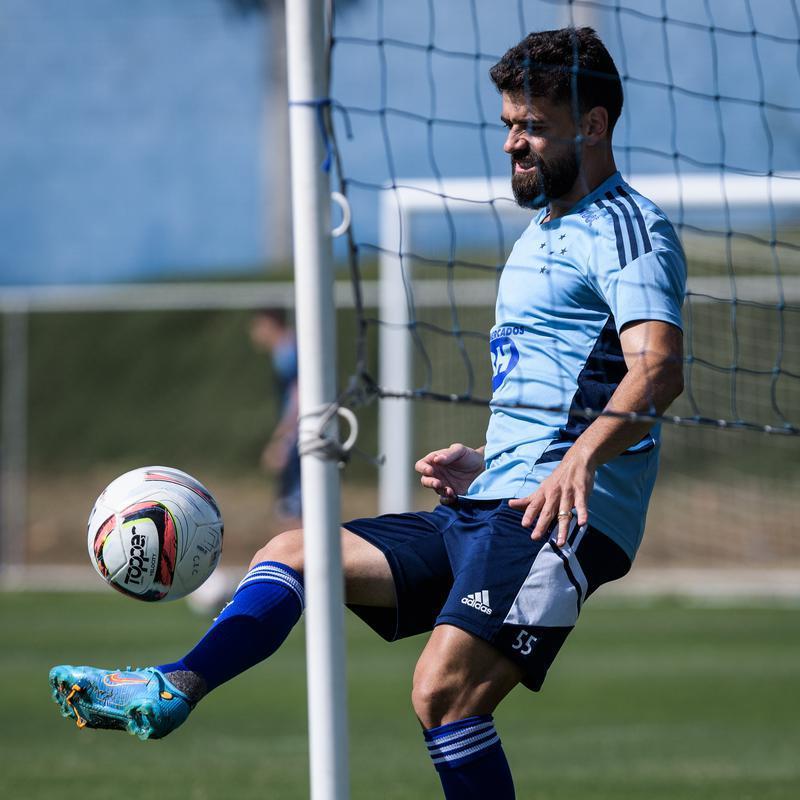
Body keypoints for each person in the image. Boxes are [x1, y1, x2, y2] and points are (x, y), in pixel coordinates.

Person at [49, 27, 685, 800]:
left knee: (443, 693)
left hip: (560, 516)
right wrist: (489, 462)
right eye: (509, 125)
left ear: (593, 125)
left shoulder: (625, 226)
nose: (515, 143)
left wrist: (579, 459)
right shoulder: (544, 233)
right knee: (294, 550)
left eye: (534, 127)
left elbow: (657, 369)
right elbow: (568, 388)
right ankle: (174, 686)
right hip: (498, 500)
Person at [249, 307, 302, 525]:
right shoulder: (286, 350)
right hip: (302, 433)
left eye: (257, 326)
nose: (253, 333)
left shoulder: (287, 352)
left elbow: (301, 395)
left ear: (270, 323)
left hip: (300, 435)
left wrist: (282, 439)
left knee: (293, 507)